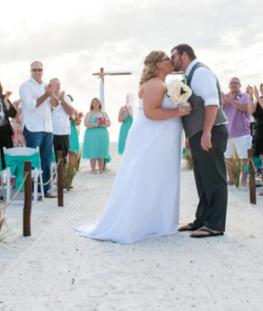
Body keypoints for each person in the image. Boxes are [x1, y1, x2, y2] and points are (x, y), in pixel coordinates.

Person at [76, 51, 191, 243]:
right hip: (153, 139)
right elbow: (151, 113)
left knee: (157, 178)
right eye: (166, 59)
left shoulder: (161, 84)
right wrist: (178, 111)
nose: (171, 61)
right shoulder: (154, 83)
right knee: (148, 177)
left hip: (161, 139)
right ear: (158, 65)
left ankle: (155, 221)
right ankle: (146, 222)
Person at [172, 44, 228, 238]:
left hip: (211, 131)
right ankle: (202, 219)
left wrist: (206, 132)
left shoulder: (201, 72)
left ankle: (215, 224)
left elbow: (212, 102)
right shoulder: (189, 75)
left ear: (184, 55)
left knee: (214, 178)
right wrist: (191, 135)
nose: (172, 61)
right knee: (202, 180)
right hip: (198, 134)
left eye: (174, 56)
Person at [19, 62, 58, 198]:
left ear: (43, 70)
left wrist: (51, 94)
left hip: (47, 127)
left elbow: (55, 105)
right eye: (34, 70)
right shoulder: (25, 86)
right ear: (30, 71)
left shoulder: (46, 85)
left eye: (39, 69)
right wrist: (47, 94)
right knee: (34, 161)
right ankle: (33, 191)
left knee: (46, 160)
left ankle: (46, 190)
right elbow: (30, 106)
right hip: (33, 128)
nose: (37, 72)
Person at [222, 77, 251, 185]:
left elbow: (246, 108)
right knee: (227, 157)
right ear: (229, 85)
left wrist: (232, 101)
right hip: (227, 131)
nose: (234, 84)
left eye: (236, 83)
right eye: (231, 83)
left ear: (240, 85)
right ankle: (232, 179)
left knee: (244, 157)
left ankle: (243, 180)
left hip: (241, 131)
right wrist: (224, 102)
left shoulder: (245, 96)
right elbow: (220, 110)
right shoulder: (225, 96)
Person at [82, 98, 111, 173]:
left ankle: (101, 170)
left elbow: (109, 123)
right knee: (93, 151)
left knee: (102, 151)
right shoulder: (89, 113)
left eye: (97, 102)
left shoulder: (104, 113)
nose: (96, 103)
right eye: (94, 102)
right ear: (92, 104)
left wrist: (102, 124)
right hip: (92, 135)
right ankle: (93, 170)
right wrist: (96, 124)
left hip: (102, 134)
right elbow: (86, 124)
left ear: (99, 104)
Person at [51, 78, 75, 159]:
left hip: (64, 131)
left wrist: (63, 101)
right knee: (52, 156)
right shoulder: (47, 97)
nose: (57, 86)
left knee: (63, 156)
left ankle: (63, 171)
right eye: (54, 84)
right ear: (50, 85)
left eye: (58, 84)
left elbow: (71, 112)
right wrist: (55, 100)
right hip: (51, 131)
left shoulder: (66, 98)